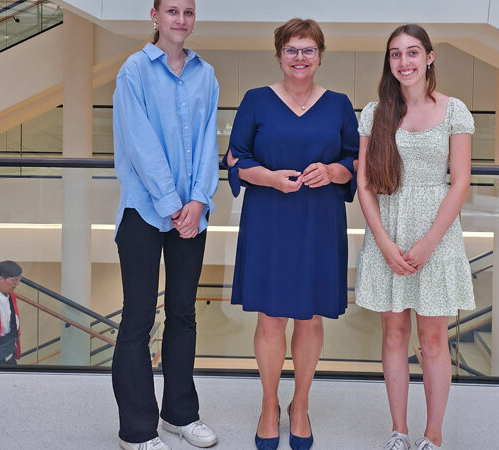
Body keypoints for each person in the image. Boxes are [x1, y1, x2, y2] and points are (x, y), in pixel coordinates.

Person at [224, 18, 359, 450]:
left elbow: (354, 161)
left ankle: (299, 405)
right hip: (269, 218)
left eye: (308, 50)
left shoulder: (338, 104)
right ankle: (269, 405)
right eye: (291, 50)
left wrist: (333, 170)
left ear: (320, 55)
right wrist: (268, 178)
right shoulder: (256, 101)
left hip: (319, 221)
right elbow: (235, 158)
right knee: (271, 317)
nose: (300, 58)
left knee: (310, 317)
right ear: (279, 54)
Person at [354, 24, 476, 450]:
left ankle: (433, 434)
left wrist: (427, 243)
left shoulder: (454, 110)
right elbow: (365, 183)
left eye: (411, 53)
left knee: (432, 340)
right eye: (394, 54)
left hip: (436, 235)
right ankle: (399, 431)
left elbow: (459, 183)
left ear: (429, 57)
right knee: (393, 335)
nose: (403, 62)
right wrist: (385, 243)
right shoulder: (374, 112)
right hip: (389, 230)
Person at [110, 0, 219, 449]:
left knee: (183, 314)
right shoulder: (133, 71)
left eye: (188, 12)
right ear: (153, 16)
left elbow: (209, 141)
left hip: (190, 213)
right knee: (137, 318)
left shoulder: (205, 75)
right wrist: (173, 203)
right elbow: (140, 143)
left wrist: (198, 200)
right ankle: (136, 430)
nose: (181, 19)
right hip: (142, 210)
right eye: (172, 10)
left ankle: (180, 414)